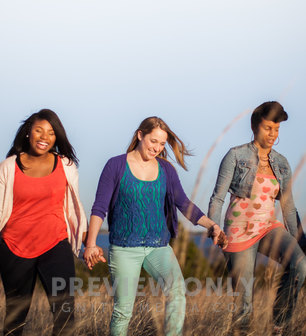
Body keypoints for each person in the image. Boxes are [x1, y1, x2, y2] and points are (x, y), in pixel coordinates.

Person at [84, 116, 226, 336]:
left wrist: (211, 225)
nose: (158, 148)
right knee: (123, 311)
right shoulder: (116, 165)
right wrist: (91, 244)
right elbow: (100, 207)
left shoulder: (166, 170)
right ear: (140, 135)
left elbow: (184, 204)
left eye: (162, 144)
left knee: (177, 291)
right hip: (124, 247)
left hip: (158, 246)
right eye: (153, 141)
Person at [0, 109, 104, 336]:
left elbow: (74, 211)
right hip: (15, 246)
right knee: (15, 318)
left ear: (57, 137)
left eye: (51, 133)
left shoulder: (66, 165)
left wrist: (89, 242)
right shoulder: (8, 167)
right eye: (39, 130)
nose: (45, 137)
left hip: (55, 243)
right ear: (28, 132)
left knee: (65, 314)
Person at [208, 101, 306, 334]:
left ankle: (278, 326)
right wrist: (214, 227)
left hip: (267, 227)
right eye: (267, 128)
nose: (272, 134)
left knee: (300, 264)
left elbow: (289, 208)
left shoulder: (281, 163)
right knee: (244, 304)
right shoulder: (235, 155)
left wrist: (304, 245)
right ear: (254, 127)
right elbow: (217, 198)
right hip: (238, 231)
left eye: (277, 129)